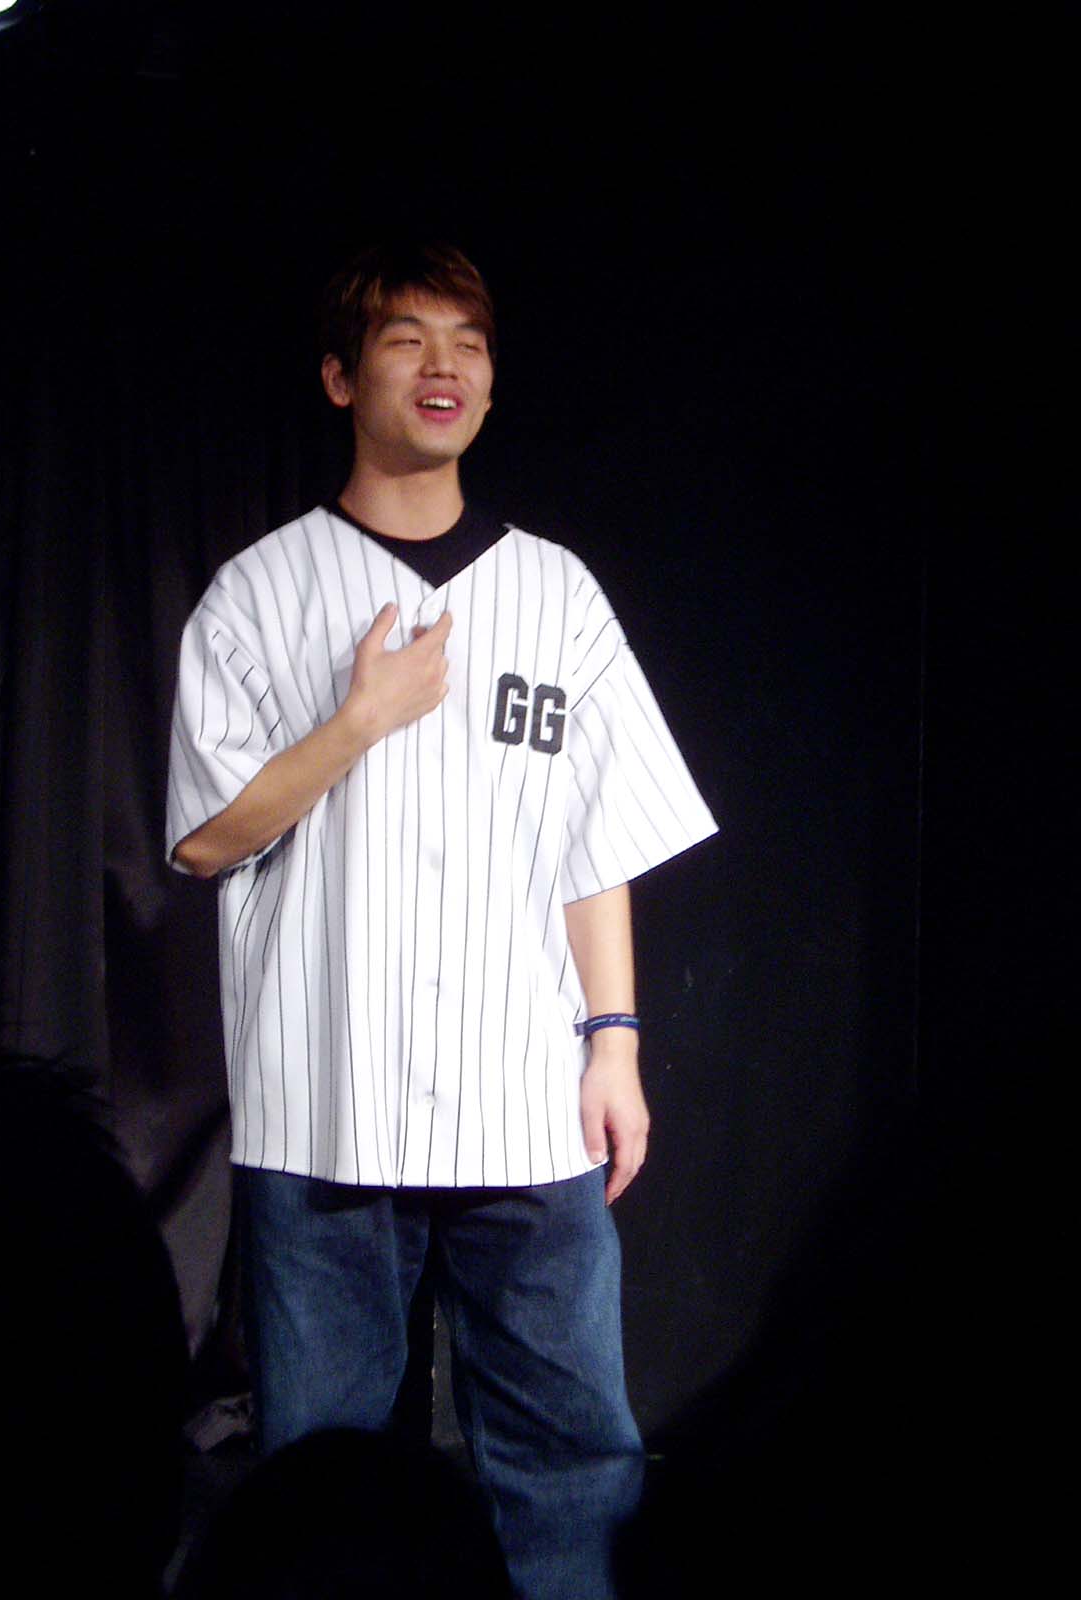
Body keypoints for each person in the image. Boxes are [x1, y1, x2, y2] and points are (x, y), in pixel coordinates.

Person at [165, 241, 717, 1599]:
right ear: (341, 378)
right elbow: (204, 837)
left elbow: (597, 840)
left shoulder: (556, 594)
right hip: (325, 1104)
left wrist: (616, 1043)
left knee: (574, 1462)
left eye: (467, 342)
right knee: (327, 1480)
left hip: (524, 1101)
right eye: (408, 339)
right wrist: (356, 722)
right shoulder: (260, 590)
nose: (443, 366)